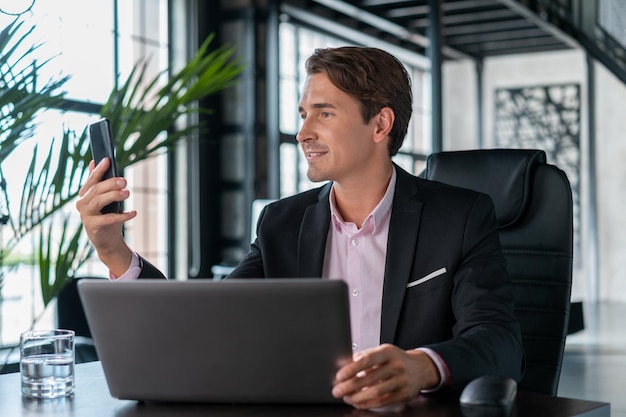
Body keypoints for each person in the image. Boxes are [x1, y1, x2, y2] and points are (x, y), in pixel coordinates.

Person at [77, 46, 524, 410]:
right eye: (303, 113)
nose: (303, 132)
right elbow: (204, 326)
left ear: (380, 124)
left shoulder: (460, 217)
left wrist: (419, 367)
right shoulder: (281, 222)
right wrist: (114, 250)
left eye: (324, 114)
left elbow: (500, 342)